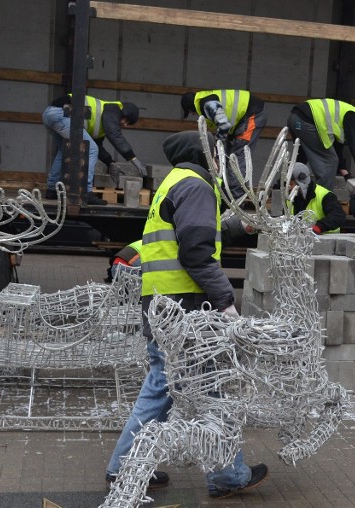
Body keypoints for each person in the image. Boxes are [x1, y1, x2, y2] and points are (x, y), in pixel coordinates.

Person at [105, 131, 268, 499]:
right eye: (218, 155)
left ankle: (125, 466)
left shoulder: (173, 183)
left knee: (165, 386)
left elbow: (187, 235)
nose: (222, 163)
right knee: (211, 392)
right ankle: (227, 476)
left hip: (162, 306)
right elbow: (195, 252)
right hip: (186, 310)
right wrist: (226, 299)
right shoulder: (196, 187)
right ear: (205, 155)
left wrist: (232, 226)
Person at [43, 94, 145, 206]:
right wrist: (132, 158)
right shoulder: (113, 110)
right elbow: (114, 134)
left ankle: (52, 190)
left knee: (63, 151)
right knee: (91, 149)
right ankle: (86, 192)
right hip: (62, 114)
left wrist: (110, 163)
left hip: (50, 114)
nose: (124, 125)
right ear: (124, 113)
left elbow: (99, 146)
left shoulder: (102, 121)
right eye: (126, 121)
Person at [181, 89, 267, 198]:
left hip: (253, 113)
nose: (193, 115)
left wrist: (216, 148)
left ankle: (236, 200)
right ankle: (226, 194)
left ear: (191, 108)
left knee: (238, 157)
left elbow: (224, 125)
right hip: (242, 118)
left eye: (191, 113)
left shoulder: (207, 104)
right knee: (227, 156)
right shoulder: (204, 100)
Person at [287, 98, 355, 192]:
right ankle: (324, 197)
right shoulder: (353, 115)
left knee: (302, 156)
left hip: (295, 118)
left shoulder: (344, 118)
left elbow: (337, 149)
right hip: (306, 120)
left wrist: (346, 174)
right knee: (330, 160)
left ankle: (282, 186)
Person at [288, 162, 346, 234]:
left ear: (301, 183)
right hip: (301, 241)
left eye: (291, 184)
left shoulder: (325, 195)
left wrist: (318, 227)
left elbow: (338, 216)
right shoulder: (289, 198)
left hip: (327, 240)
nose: (288, 187)